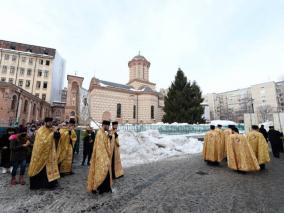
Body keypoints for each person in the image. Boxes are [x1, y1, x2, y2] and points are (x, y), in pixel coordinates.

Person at [28, 117, 60, 190]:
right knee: (40, 169)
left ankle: (49, 185)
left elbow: (57, 137)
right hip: (40, 154)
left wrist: (56, 132)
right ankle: (38, 185)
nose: (50, 124)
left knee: (48, 170)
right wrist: (52, 134)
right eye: (49, 122)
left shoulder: (52, 130)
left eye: (51, 122)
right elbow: (43, 142)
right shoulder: (41, 130)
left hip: (50, 154)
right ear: (45, 123)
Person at [87, 120, 112, 194]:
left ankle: (105, 188)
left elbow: (106, 144)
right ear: (104, 125)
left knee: (105, 171)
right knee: (101, 171)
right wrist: (105, 157)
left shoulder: (103, 133)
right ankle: (99, 187)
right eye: (108, 126)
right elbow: (100, 147)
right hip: (100, 156)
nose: (108, 127)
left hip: (104, 155)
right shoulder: (100, 134)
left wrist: (109, 136)